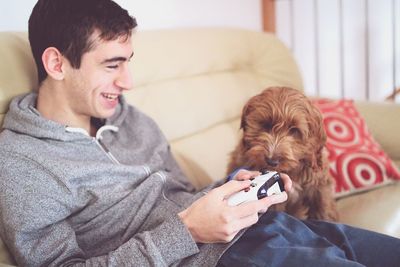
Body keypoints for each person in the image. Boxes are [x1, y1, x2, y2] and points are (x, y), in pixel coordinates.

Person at [0, 0, 399, 266]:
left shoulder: (129, 119)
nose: (129, 81)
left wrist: (230, 188)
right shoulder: (21, 165)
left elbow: (181, 194)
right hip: (219, 257)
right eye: (112, 65)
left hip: (260, 226)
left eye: (129, 63)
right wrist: (187, 230)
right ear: (56, 62)